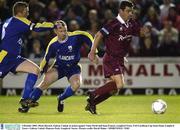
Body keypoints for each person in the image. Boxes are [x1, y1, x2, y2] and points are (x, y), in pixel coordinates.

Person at [86, 0, 147, 114]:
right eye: (128, 11)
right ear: (121, 11)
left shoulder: (131, 24)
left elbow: (141, 33)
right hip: (111, 58)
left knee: (114, 90)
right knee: (119, 84)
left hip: (119, 59)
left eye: (131, 11)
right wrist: (93, 51)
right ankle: (93, 93)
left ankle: (92, 103)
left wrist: (146, 30)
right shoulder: (113, 23)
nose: (130, 13)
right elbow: (99, 34)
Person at [25, 20, 93, 113]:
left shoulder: (75, 37)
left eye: (65, 30)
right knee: (44, 83)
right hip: (59, 67)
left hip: (73, 67)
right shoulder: (53, 43)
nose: (64, 33)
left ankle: (61, 98)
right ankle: (27, 105)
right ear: (55, 31)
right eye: (61, 31)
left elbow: (87, 35)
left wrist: (94, 51)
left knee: (76, 85)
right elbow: (46, 58)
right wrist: (40, 71)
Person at [0, 1, 55, 112]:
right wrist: (53, 25)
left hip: (14, 58)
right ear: (22, 11)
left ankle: (25, 100)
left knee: (35, 70)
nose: (28, 13)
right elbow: (37, 27)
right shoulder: (20, 20)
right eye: (27, 11)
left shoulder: (8, 21)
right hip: (4, 57)